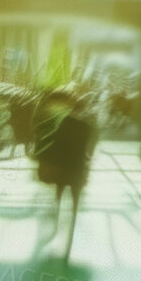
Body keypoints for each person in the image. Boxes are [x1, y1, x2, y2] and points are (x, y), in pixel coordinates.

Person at [33, 88, 95, 259]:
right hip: (78, 169)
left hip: (63, 168)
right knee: (75, 197)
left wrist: (45, 161)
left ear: (72, 108)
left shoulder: (64, 123)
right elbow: (88, 150)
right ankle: (72, 224)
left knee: (60, 191)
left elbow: (56, 146)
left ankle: (58, 210)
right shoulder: (87, 126)